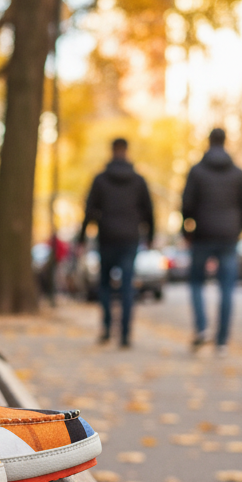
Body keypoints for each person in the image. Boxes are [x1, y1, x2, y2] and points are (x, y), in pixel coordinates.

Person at [79, 138, 154, 347]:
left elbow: (89, 210)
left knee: (104, 285)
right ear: (127, 151)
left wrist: (82, 237)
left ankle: (106, 327)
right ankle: (125, 334)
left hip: (107, 237)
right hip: (130, 238)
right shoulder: (138, 180)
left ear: (112, 151)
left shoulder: (100, 179)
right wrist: (150, 236)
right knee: (127, 286)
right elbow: (149, 211)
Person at [181, 128, 242, 354]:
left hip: (203, 234)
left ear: (209, 142)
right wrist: (236, 230)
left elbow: (187, 205)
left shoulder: (197, 171)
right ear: (225, 142)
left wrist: (186, 230)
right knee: (227, 288)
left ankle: (201, 328)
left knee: (197, 282)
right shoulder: (237, 173)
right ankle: (222, 342)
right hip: (228, 236)